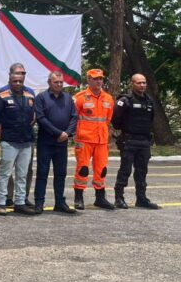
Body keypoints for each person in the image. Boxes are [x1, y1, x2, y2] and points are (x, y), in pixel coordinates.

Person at [0, 72, 36, 215]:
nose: (17, 83)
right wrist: (7, 127)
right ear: (9, 81)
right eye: (15, 81)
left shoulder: (30, 97)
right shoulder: (2, 97)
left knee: (22, 174)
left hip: (26, 141)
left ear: (24, 81)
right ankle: (1, 202)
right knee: (5, 173)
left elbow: (34, 116)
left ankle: (20, 203)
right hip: (9, 141)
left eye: (20, 81)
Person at [112, 74, 160, 210]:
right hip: (129, 140)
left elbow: (151, 119)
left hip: (144, 141)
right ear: (132, 84)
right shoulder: (125, 100)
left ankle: (142, 198)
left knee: (142, 171)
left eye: (144, 83)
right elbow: (115, 120)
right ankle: (119, 198)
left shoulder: (149, 101)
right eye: (139, 83)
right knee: (125, 170)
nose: (142, 85)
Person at [34, 71, 77, 214]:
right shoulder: (41, 98)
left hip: (62, 143)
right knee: (42, 173)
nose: (59, 84)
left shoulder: (68, 98)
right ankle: (39, 203)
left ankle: (60, 202)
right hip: (46, 142)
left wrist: (67, 133)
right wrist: (59, 133)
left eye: (61, 82)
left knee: (61, 173)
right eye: (56, 82)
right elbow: (41, 119)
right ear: (49, 82)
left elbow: (74, 117)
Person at [72, 68, 115, 210]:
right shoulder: (80, 97)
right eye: (95, 78)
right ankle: (78, 197)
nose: (98, 81)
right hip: (84, 139)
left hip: (101, 140)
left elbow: (107, 120)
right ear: (88, 80)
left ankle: (100, 198)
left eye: (100, 78)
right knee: (82, 169)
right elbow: (73, 117)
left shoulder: (108, 98)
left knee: (101, 169)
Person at [1, 63, 35, 207]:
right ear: (10, 75)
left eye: (23, 73)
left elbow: (34, 113)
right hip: (9, 138)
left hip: (27, 137)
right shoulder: (3, 92)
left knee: (26, 170)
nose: (21, 76)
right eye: (18, 73)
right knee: (7, 170)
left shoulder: (30, 92)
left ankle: (23, 197)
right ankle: (8, 197)